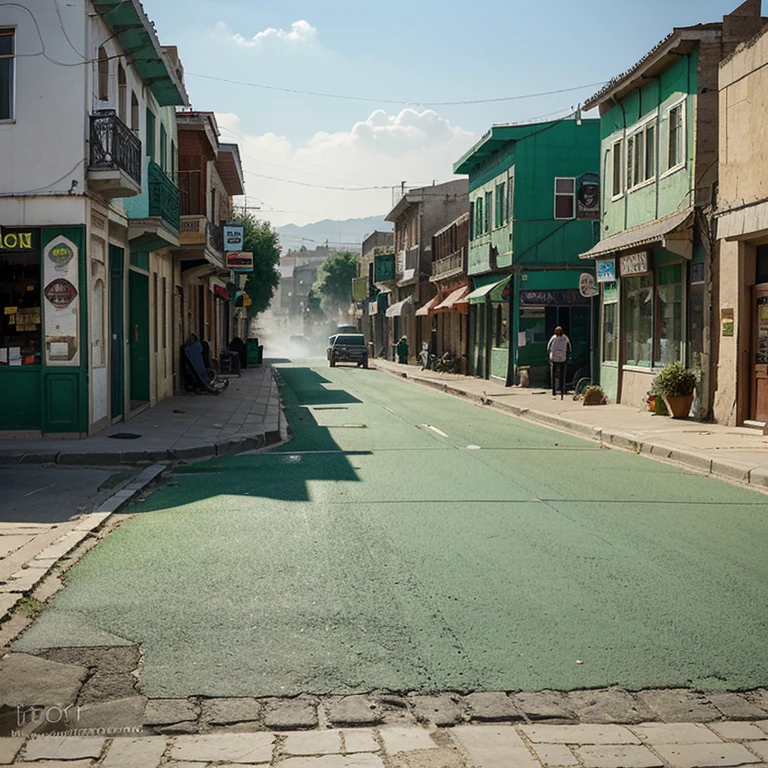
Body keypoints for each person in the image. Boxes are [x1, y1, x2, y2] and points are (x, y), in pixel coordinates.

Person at [547, 326, 571, 399]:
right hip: (557, 358)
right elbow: (548, 348)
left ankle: (560, 390)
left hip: (559, 359)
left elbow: (548, 348)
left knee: (560, 375)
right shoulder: (556, 338)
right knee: (557, 375)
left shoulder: (562, 338)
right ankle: (556, 390)